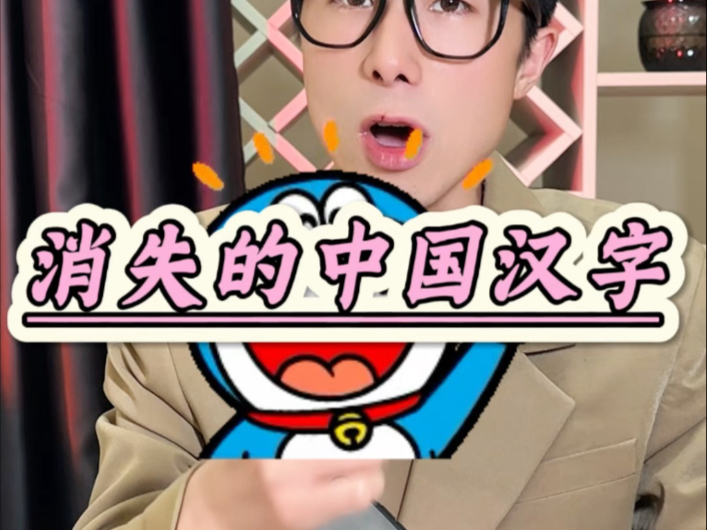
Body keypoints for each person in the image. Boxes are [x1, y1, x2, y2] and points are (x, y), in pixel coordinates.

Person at [74, 1, 706, 529]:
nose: (389, 59)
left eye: (450, 4)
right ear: (300, 33)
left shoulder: (663, 292)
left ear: (531, 59)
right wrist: (200, 514)